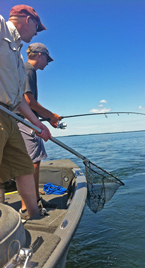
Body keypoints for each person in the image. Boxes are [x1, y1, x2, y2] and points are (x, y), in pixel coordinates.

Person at [0, 5, 51, 220]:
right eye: (37, 29)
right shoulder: (1, 27)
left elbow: (20, 98)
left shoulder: (19, 58)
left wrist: (38, 125)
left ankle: (34, 214)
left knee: (24, 166)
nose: (36, 34)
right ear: (28, 20)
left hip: (11, 116)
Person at [18, 43, 62, 214]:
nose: (48, 63)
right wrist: (51, 116)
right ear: (38, 55)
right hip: (25, 122)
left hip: (25, 121)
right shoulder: (29, 69)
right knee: (32, 163)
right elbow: (30, 102)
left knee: (32, 162)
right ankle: (30, 206)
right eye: (47, 58)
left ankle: (34, 200)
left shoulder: (26, 70)